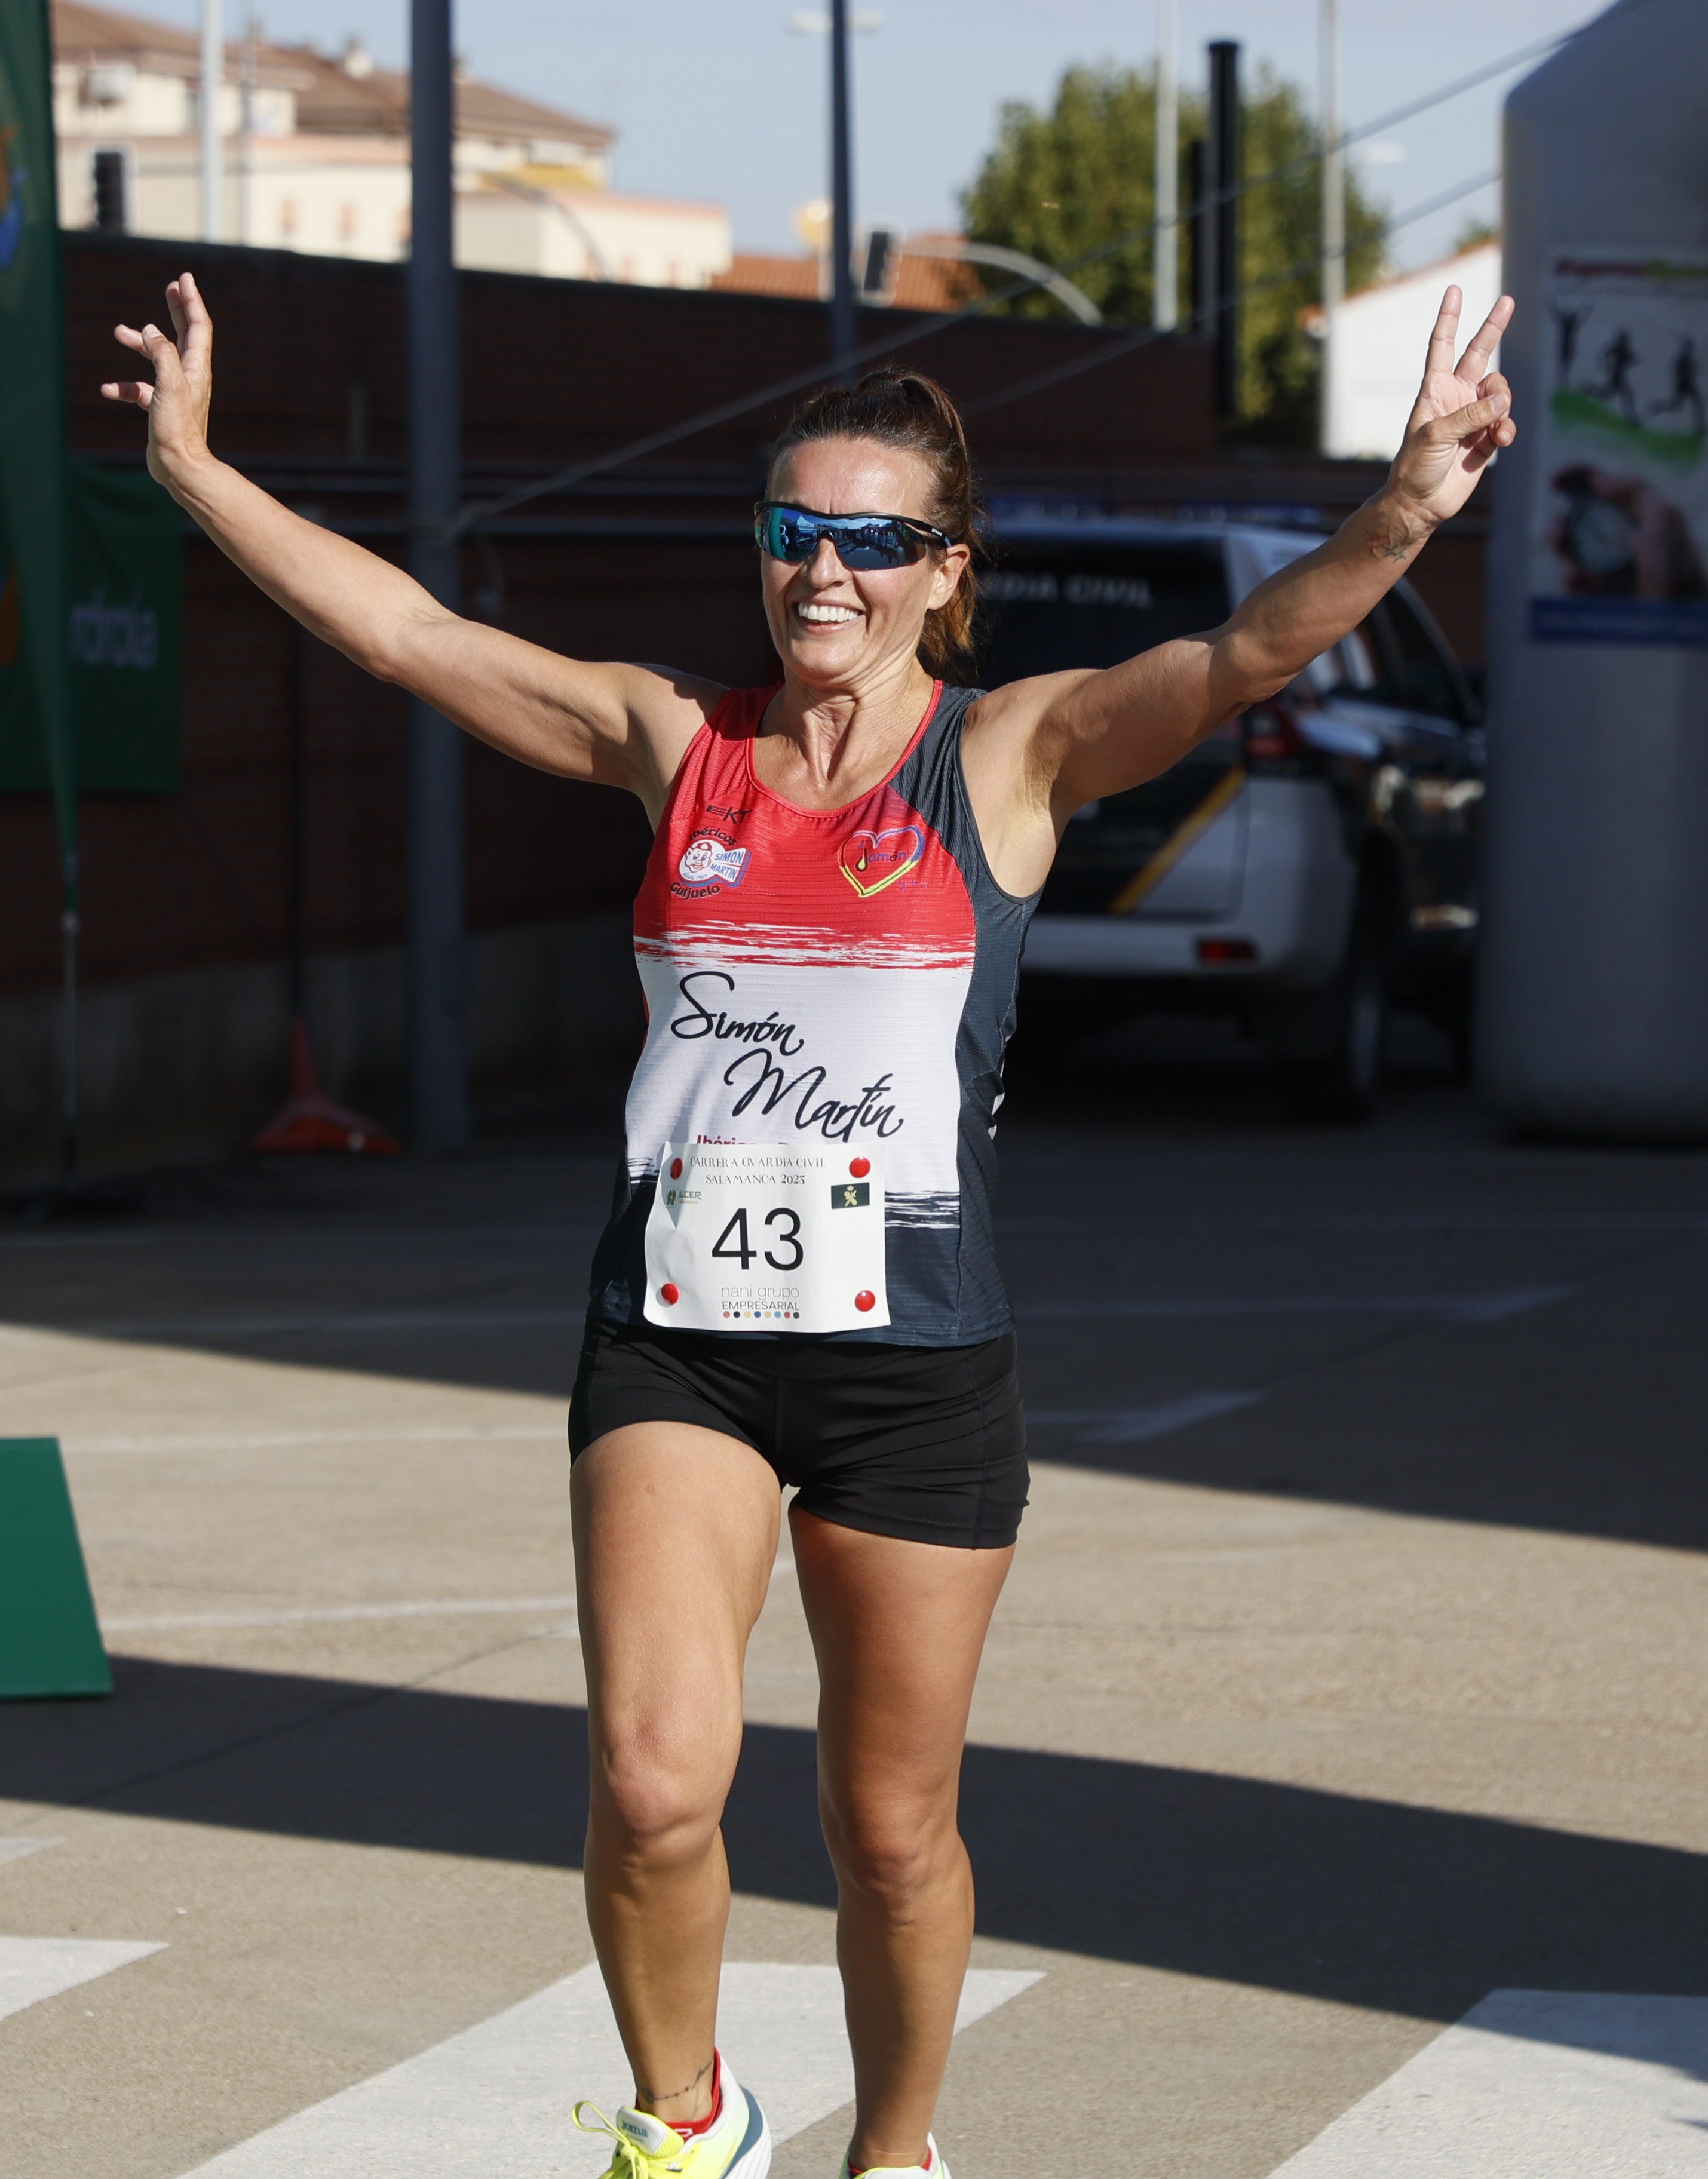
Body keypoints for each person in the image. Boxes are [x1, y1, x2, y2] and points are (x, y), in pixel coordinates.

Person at [100, 274, 1517, 2179]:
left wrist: (1409, 507)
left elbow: (1250, 653)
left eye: (871, 540)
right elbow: (407, 633)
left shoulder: (1006, 757)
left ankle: (899, 2150)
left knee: (891, 1832)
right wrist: (194, 467)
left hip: (915, 1369)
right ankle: (688, 2126)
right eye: (792, 532)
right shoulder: (669, 737)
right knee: (652, 1780)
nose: (824, 570)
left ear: (946, 570)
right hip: (677, 1339)